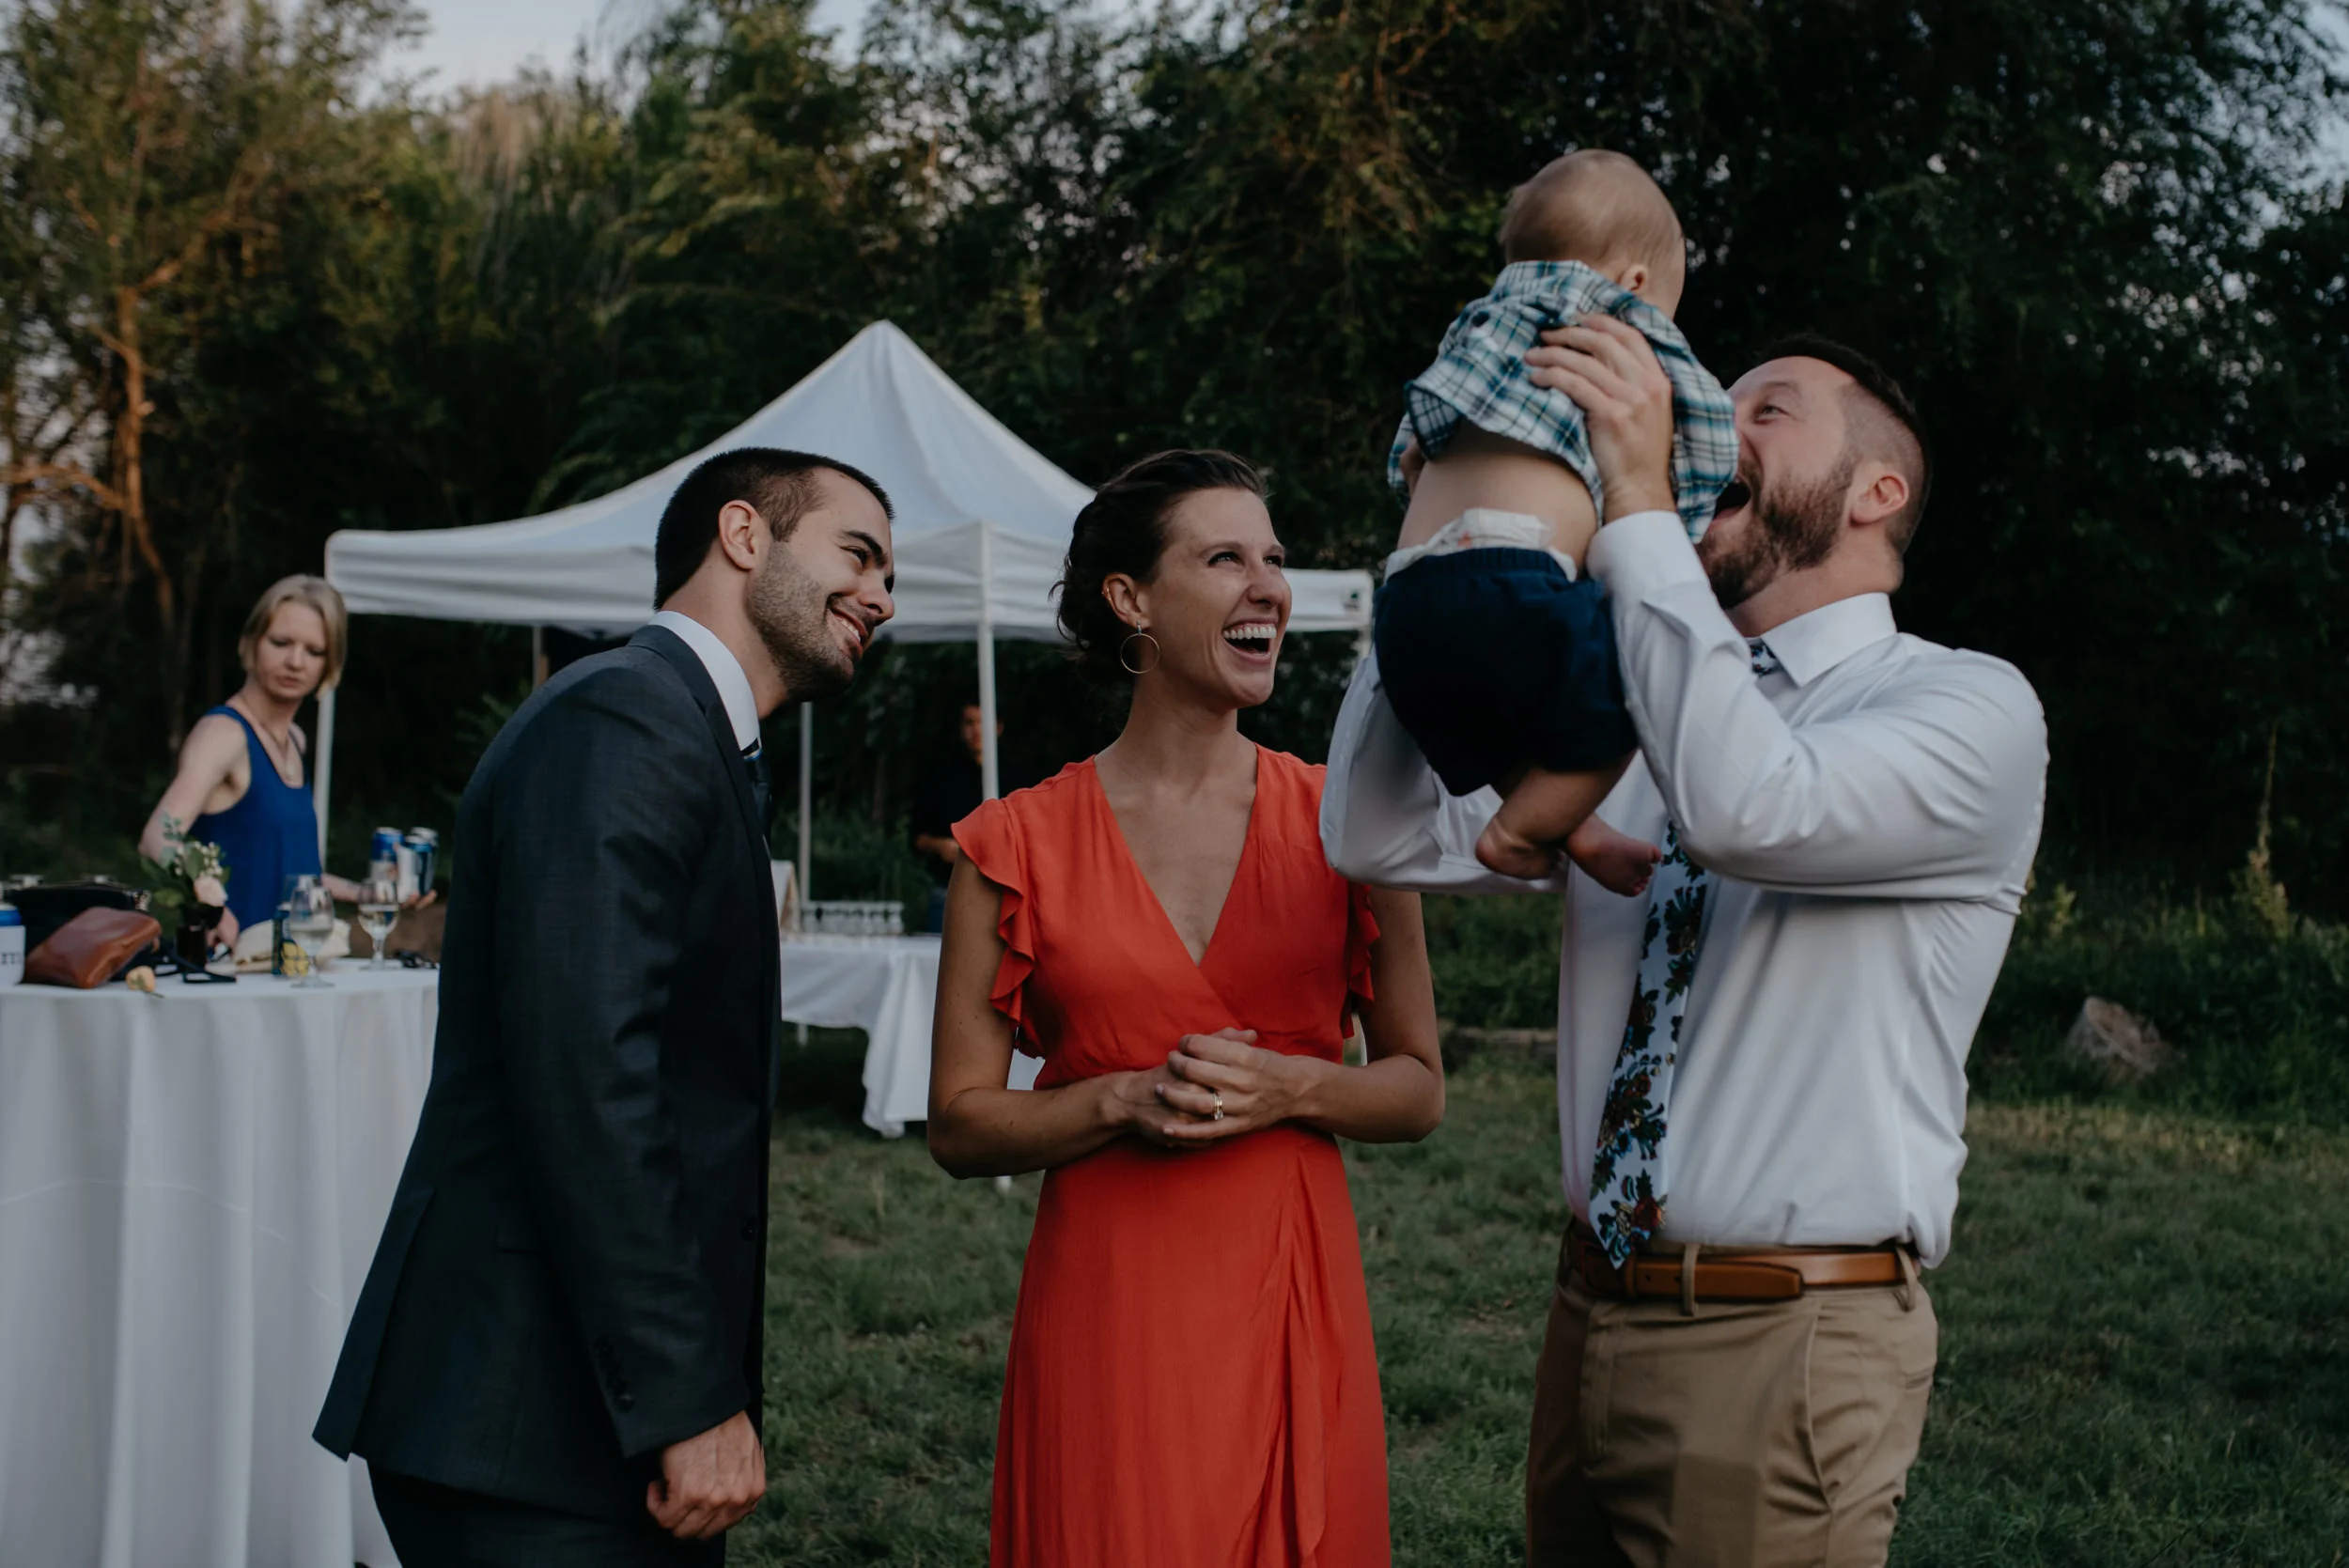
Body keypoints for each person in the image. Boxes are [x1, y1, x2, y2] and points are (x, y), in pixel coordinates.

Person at [1325, 329, 2048, 1566]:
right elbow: (1373, 828)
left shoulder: (1969, 707)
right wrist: (1443, 549)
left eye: (1767, 409)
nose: (1715, 420)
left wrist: (1643, 503)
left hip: (1786, 1341)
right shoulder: (1634, 699)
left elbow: (1748, 804)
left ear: (1881, 492)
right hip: (1586, 1311)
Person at [315, 447, 897, 1564]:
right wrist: (684, 1396)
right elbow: (588, 1077)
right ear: (743, 537)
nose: (881, 595)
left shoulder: (686, 730)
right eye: (858, 553)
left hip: (576, 1422)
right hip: (526, 1423)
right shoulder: (627, 719)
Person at [926, 450, 1445, 1567]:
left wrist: (1295, 1085)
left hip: (1290, 1290)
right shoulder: (1014, 843)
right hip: (1111, 1308)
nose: (1268, 585)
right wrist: (1114, 1096)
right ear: (1133, 601)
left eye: (1273, 558)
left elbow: (1417, 1090)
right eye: (1224, 558)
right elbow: (961, 1123)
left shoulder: (1352, 824)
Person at [1377, 149, 1736, 885]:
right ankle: (1516, 831)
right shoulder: (1621, 328)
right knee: (1647, 676)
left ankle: (1573, 828)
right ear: (1636, 284)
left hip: (1406, 601)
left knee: (1496, 729)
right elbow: (1703, 432)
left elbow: (1410, 450)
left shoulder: (1475, 326)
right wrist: (1687, 520)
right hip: (1508, 576)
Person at [139, 575, 358, 948]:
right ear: (250, 644)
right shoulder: (225, 734)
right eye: (280, 642)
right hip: (230, 973)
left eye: (314, 651)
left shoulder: (294, 741)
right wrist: (209, 900)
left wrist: (366, 894)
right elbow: (158, 836)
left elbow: (291, 871)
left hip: (290, 968)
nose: (295, 661)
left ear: (329, 665)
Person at [908, 701, 1018, 934]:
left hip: (1005, 892)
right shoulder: (941, 778)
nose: (977, 730)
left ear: (998, 728)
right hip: (948, 890)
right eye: (970, 722)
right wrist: (940, 846)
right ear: (961, 728)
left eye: (983, 722)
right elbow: (916, 837)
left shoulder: (1017, 778)